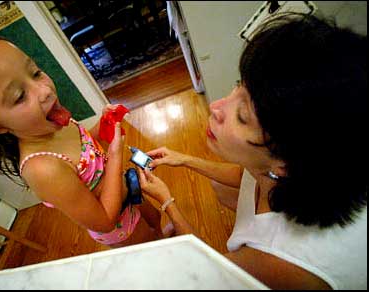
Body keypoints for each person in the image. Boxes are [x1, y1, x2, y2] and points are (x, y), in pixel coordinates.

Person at [138, 13, 367, 290]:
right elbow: (247, 176)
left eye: (242, 115)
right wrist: (184, 159)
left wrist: (167, 203)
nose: (216, 106)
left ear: (285, 164)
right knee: (218, 186)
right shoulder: (299, 168)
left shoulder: (277, 262)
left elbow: (208, 271)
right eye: (238, 86)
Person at [0, 32, 170, 248]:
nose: (45, 90)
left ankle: (161, 236)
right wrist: (117, 155)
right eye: (19, 96)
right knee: (150, 244)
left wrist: (104, 124)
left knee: (155, 220)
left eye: (35, 72)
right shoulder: (42, 168)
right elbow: (105, 220)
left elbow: (87, 147)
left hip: (127, 190)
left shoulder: (55, 122)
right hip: (120, 226)